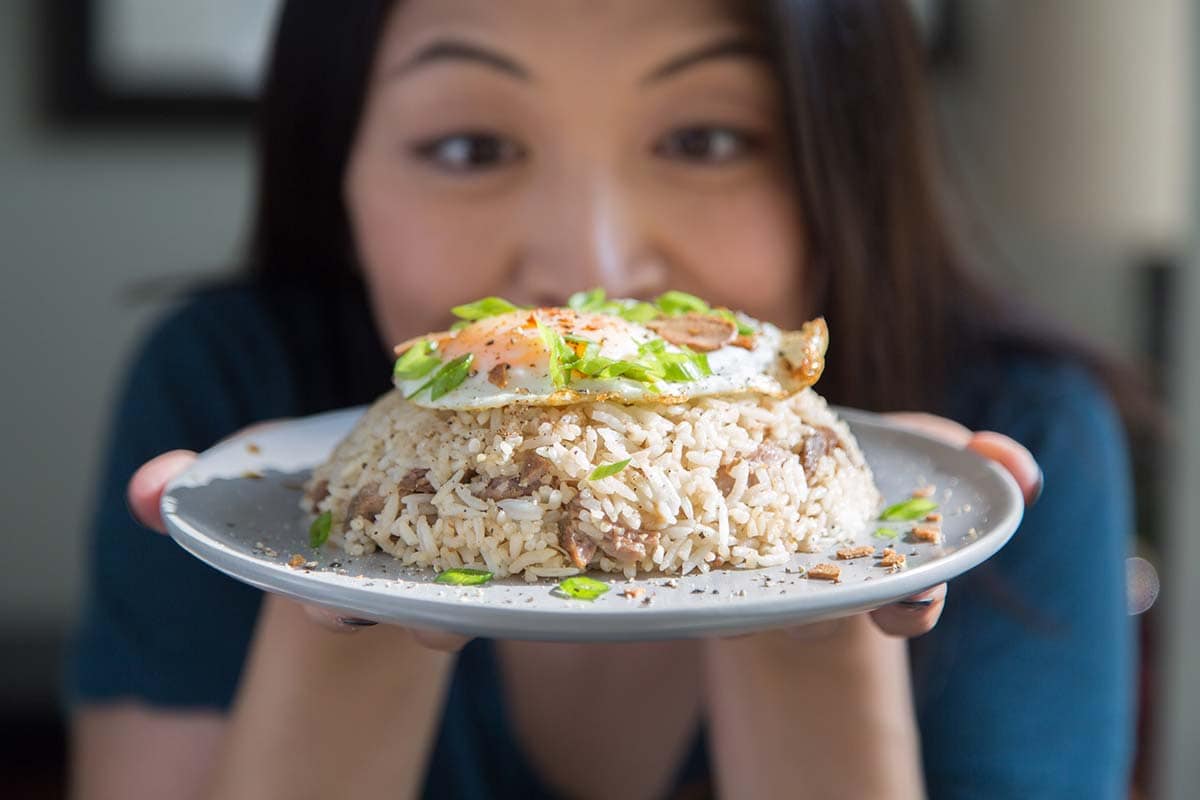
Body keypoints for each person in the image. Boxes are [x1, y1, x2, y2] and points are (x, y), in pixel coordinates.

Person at [66, 2, 1135, 798]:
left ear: (842, 158)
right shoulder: (227, 410)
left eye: (705, 140)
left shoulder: (1015, 448)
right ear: (334, 166)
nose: (593, 265)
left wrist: (825, 590)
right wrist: (346, 578)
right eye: (471, 146)